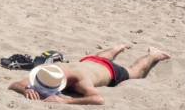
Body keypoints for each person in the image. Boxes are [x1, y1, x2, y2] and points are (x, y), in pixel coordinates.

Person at [9, 44, 171, 105]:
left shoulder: (80, 81)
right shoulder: (48, 72)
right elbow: (14, 84)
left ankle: (154, 55)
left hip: (110, 71)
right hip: (90, 61)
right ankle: (116, 48)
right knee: (97, 58)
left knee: (136, 71)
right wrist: (25, 90)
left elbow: (98, 99)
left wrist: (65, 102)